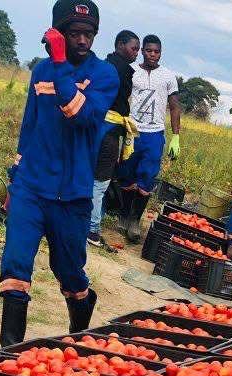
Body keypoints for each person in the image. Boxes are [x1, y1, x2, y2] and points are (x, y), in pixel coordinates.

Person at [0, 0, 119, 346]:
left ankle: (81, 310)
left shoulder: (105, 75)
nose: (83, 40)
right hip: (32, 187)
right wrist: (15, 177)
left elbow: (78, 114)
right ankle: (8, 354)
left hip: (73, 194)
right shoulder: (41, 71)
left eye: (89, 34)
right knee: (15, 265)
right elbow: (30, 125)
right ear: (59, 33)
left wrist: (61, 63)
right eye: (74, 33)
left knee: (68, 274)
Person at [118, 34, 181, 243]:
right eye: (149, 51)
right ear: (142, 51)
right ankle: (124, 215)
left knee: (146, 178)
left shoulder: (168, 77)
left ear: (160, 53)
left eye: (157, 51)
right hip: (133, 131)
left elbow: (174, 106)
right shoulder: (132, 71)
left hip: (154, 134)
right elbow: (121, 96)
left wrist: (176, 137)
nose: (153, 55)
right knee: (127, 175)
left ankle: (136, 220)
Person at [88, 29, 139, 250]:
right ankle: (92, 229)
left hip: (95, 127)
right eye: (133, 48)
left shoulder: (104, 65)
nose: (136, 53)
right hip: (108, 132)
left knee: (88, 175)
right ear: (120, 45)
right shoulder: (121, 71)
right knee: (100, 182)